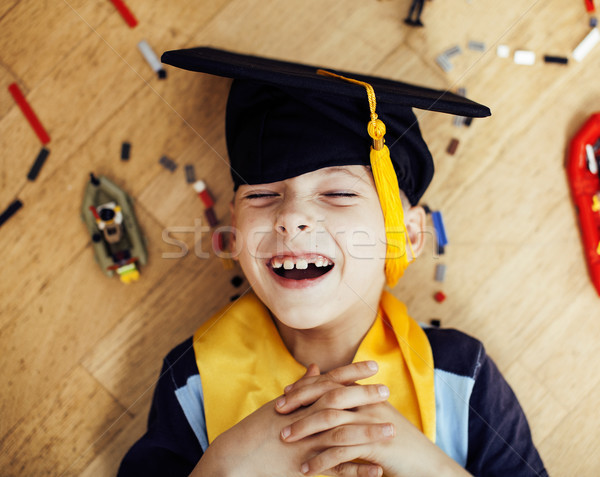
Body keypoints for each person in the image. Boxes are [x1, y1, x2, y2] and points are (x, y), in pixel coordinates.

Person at [118, 47, 548, 477]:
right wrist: (226, 463)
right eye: (261, 195)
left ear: (409, 234)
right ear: (233, 232)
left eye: (339, 193)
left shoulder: (460, 376)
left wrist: (428, 465)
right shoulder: (193, 377)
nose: (291, 218)